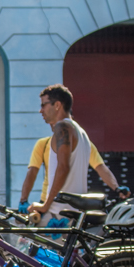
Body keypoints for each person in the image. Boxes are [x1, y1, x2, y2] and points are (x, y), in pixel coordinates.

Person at [29, 85, 93, 225]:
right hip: (74, 214)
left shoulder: (62, 127)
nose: (41, 110)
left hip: (58, 213)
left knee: (23, 242)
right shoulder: (80, 131)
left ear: (57, 105)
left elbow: (63, 167)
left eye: (44, 105)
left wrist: (45, 205)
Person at [19, 136, 128, 214]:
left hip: (72, 205)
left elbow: (101, 168)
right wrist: (23, 199)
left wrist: (116, 188)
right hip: (51, 203)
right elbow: (32, 172)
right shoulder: (44, 144)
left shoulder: (85, 145)